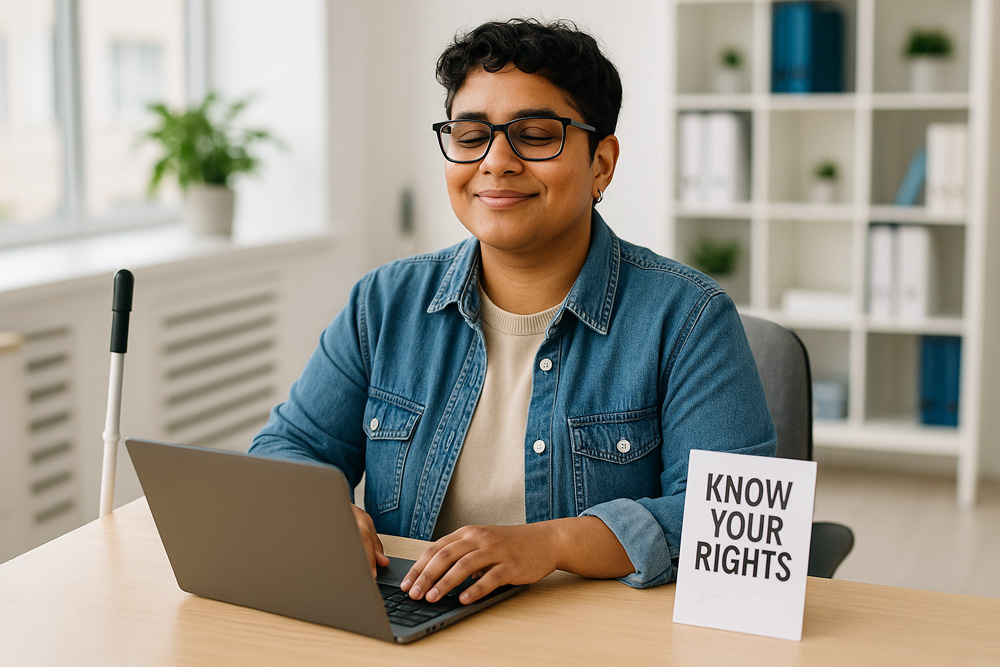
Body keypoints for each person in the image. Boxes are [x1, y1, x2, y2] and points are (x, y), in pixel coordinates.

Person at [250, 18, 776, 606]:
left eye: (534, 134)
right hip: (412, 626)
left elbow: (729, 522)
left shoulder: (689, 317)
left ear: (601, 162)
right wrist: (322, 510)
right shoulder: (383, 303)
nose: (496, 162)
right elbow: (287, 448)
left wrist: (550, 543)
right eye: (471, 136)